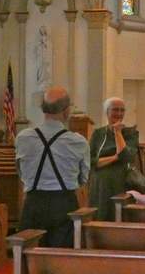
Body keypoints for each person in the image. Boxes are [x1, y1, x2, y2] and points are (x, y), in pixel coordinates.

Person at [16, 86, 90, 247]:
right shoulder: (78, 141)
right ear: (66, 111)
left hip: (33, 202)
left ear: (43, 109)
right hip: (64, 203)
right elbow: (83, 177)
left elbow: (21, 172)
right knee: (61, 257)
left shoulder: (23, 138)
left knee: (29, 256)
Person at [89, 97, 139, 221]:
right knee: (99, 216)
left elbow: (125, 157)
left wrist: (117, 132)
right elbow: (90, 161)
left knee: (118, 217)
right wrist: (115, 157)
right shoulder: (98, 133)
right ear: (107, 112)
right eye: (115, 110)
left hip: (119, 182)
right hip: (99, 184)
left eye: (122, 110)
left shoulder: (131, 133)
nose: (119, 113)